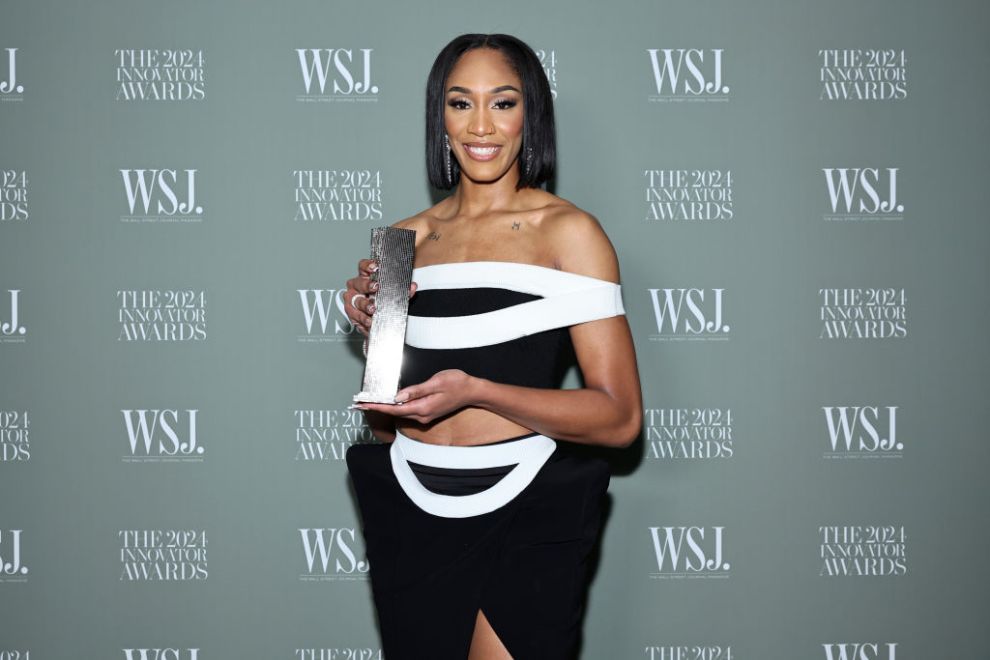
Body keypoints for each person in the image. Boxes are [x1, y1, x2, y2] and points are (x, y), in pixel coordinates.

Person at [343, 33, 642, 660]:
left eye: (502, 103)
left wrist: (478, 391)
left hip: (527, 504)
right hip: (411, 504)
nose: (481, 125)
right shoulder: (400, 242)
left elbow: (619, 419)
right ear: (440, 117)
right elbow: (384, 425)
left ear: (530, 114)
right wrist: (378, 335)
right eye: (460, 103)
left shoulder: (570, 233)